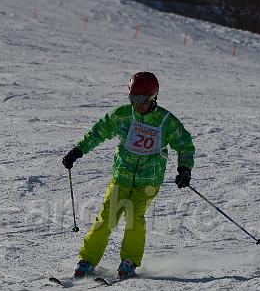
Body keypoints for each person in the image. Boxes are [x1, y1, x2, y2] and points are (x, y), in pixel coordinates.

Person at [62, 72, 195, 279]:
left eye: (141, 100)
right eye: (133, 98)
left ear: (153, 97)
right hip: (121, 177)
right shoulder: (123, 115)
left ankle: (129, 261)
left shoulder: (165, 121)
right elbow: (98, 131)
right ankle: (87, 260)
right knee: (107, 217)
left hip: (148, 181)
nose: (137, 104)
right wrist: (78, 151)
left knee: (134, 216)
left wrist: (184, 169)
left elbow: (184, 144)